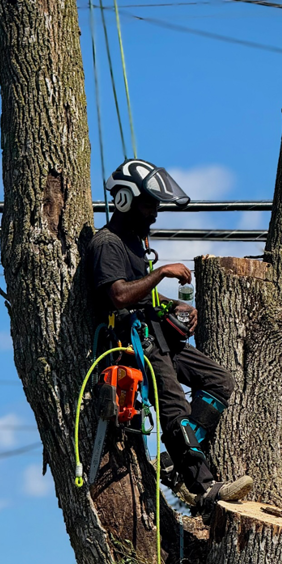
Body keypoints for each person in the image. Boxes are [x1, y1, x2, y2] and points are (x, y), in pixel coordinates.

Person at [88, 159, 253, 517]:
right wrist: (161, 272)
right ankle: (204, 487)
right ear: (124, 200)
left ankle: (170, 461)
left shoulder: (134, 242)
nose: (156, 212)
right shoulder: (108, 244)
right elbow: (118, 295)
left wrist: (171, 306)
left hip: (156, 333)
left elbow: (140, 294)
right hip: (132, 342)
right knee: (175, 406)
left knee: (219, 381)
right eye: (150, 203)